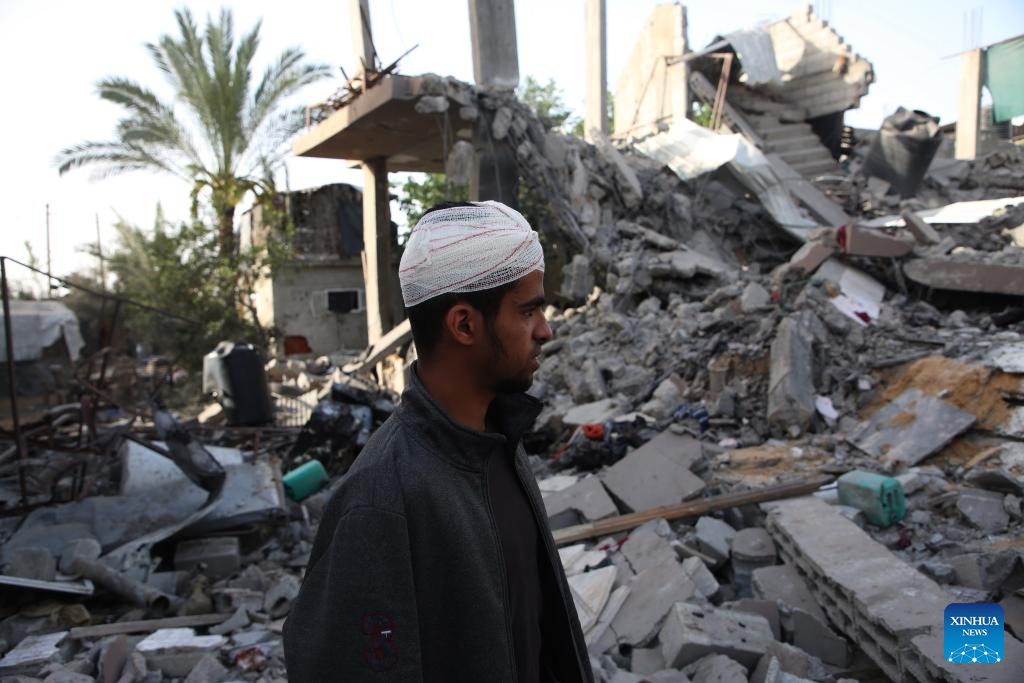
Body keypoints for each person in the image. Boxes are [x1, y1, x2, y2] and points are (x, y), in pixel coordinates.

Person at [283, 201, 594, 682]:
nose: (545, 330)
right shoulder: (380, 500)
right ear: (465, 324)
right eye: (528, 310)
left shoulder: (499, 444)